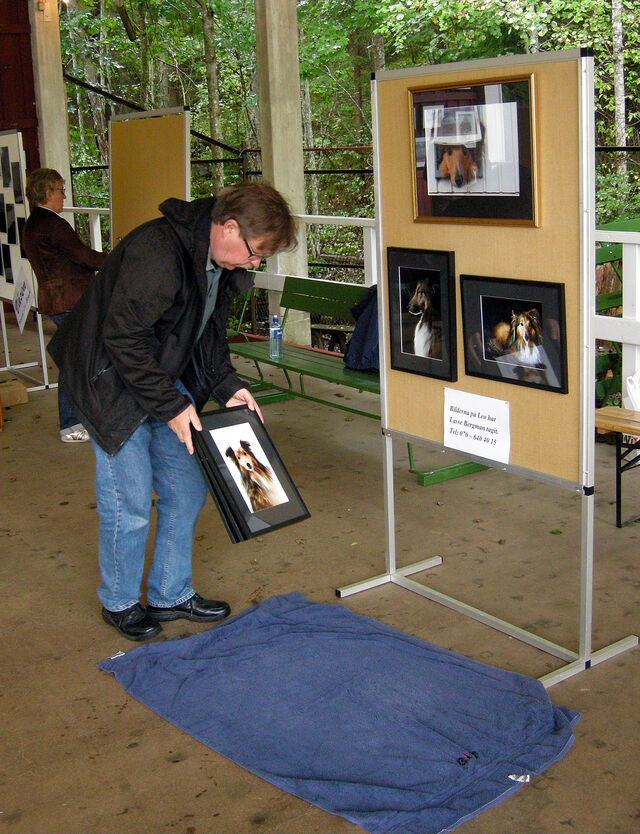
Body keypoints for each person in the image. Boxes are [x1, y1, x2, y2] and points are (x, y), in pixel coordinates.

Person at [48, 182, 297, 641]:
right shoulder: (158, 252)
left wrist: (228, 386)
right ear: (229, 227)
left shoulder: (222, 261)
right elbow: (122, 340)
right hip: (107, 378)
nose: (255, 264)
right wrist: (172, 406)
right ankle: (120, 602)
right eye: (256, 253)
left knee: (186, 491)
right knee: (130, 502)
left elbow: (208, 334)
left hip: (159, 372)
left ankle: (170, 592)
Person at [22, 168, 108, 443]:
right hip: (68, 301)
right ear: (47, 192)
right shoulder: (52, 224)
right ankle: (70, 426)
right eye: (61, 190)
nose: (64, 195)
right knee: (75, 365)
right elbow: (84, 257)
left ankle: (82, 418)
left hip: (58, 300)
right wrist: (117, 258)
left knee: (78, 361)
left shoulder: (33, 223)